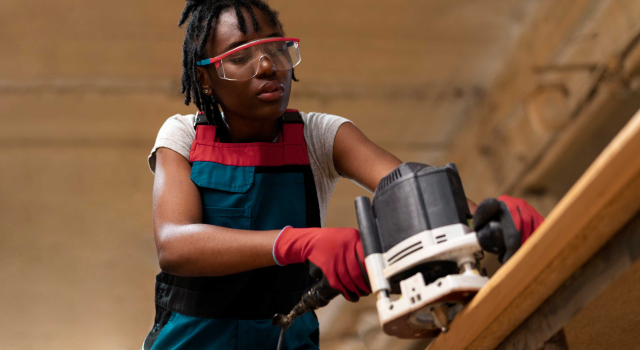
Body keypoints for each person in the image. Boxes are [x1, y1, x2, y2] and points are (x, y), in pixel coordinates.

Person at [142, 1, 544, 349]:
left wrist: (483, 218)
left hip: (286, 340)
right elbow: (175, 244)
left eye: (276, 48)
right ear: (206, 80)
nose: (267, 65)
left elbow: (412, 192)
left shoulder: (321, 135)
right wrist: (300, 243)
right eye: (240, 55)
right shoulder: (184, 135)